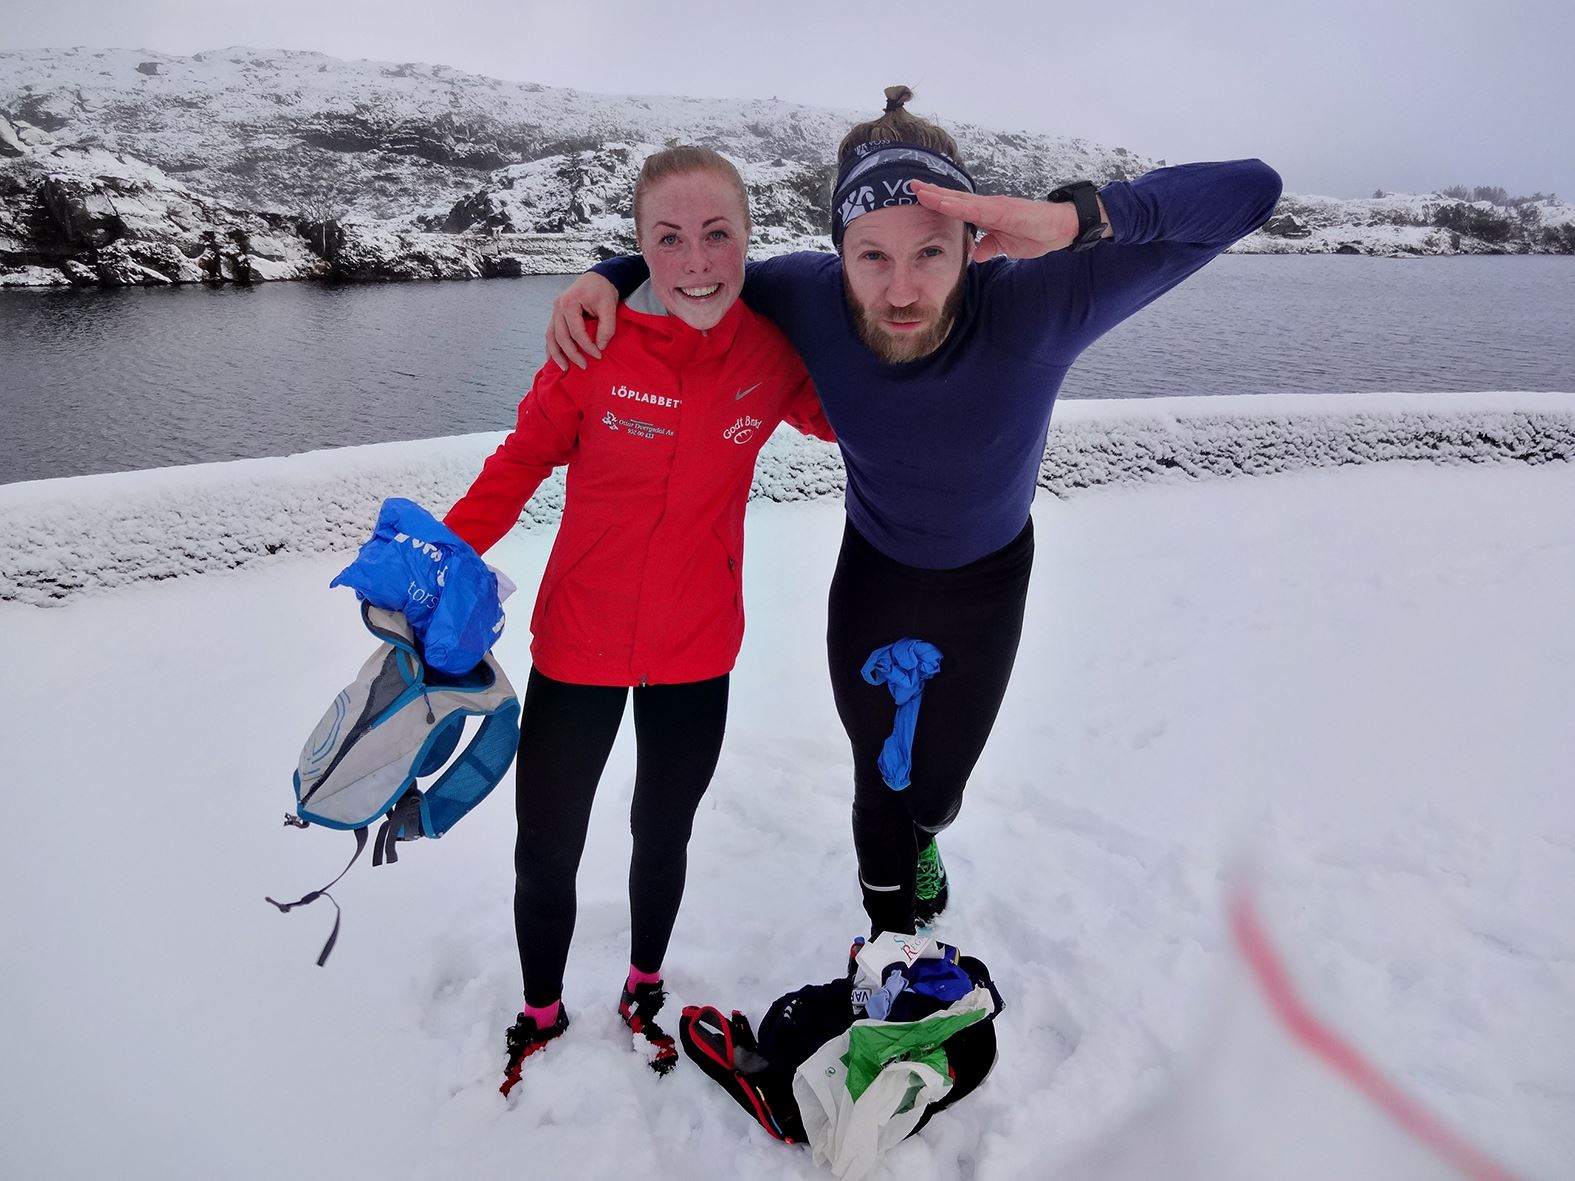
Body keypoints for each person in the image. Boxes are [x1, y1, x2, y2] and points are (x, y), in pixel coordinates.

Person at [546, 87, 1282, 940]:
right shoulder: (808, 295)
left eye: (930, 251)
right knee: (877, 780)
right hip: (874, 574)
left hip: (987, 586)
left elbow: (1251, 191)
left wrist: (1076, 219)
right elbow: (701, 267)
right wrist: (610, 274)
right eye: (871, 256)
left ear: (972, 242)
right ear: (840, 254)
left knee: (931, 792)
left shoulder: (1034, 305)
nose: (900, 289)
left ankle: (928, 832)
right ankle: (888, 944)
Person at [443, 145, 833, 1094]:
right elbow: (520, 462)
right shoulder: (595, 345)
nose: (696, 262)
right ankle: (540, 1009)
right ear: (639, 247)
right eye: (669, 239)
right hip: (580, 642)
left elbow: (859, 419)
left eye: (717, 235)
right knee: (547, 847)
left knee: (664, 832)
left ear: (748, 238)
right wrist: (437, 561)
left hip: (697, 648)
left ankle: (644, 985)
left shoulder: (770, 354)